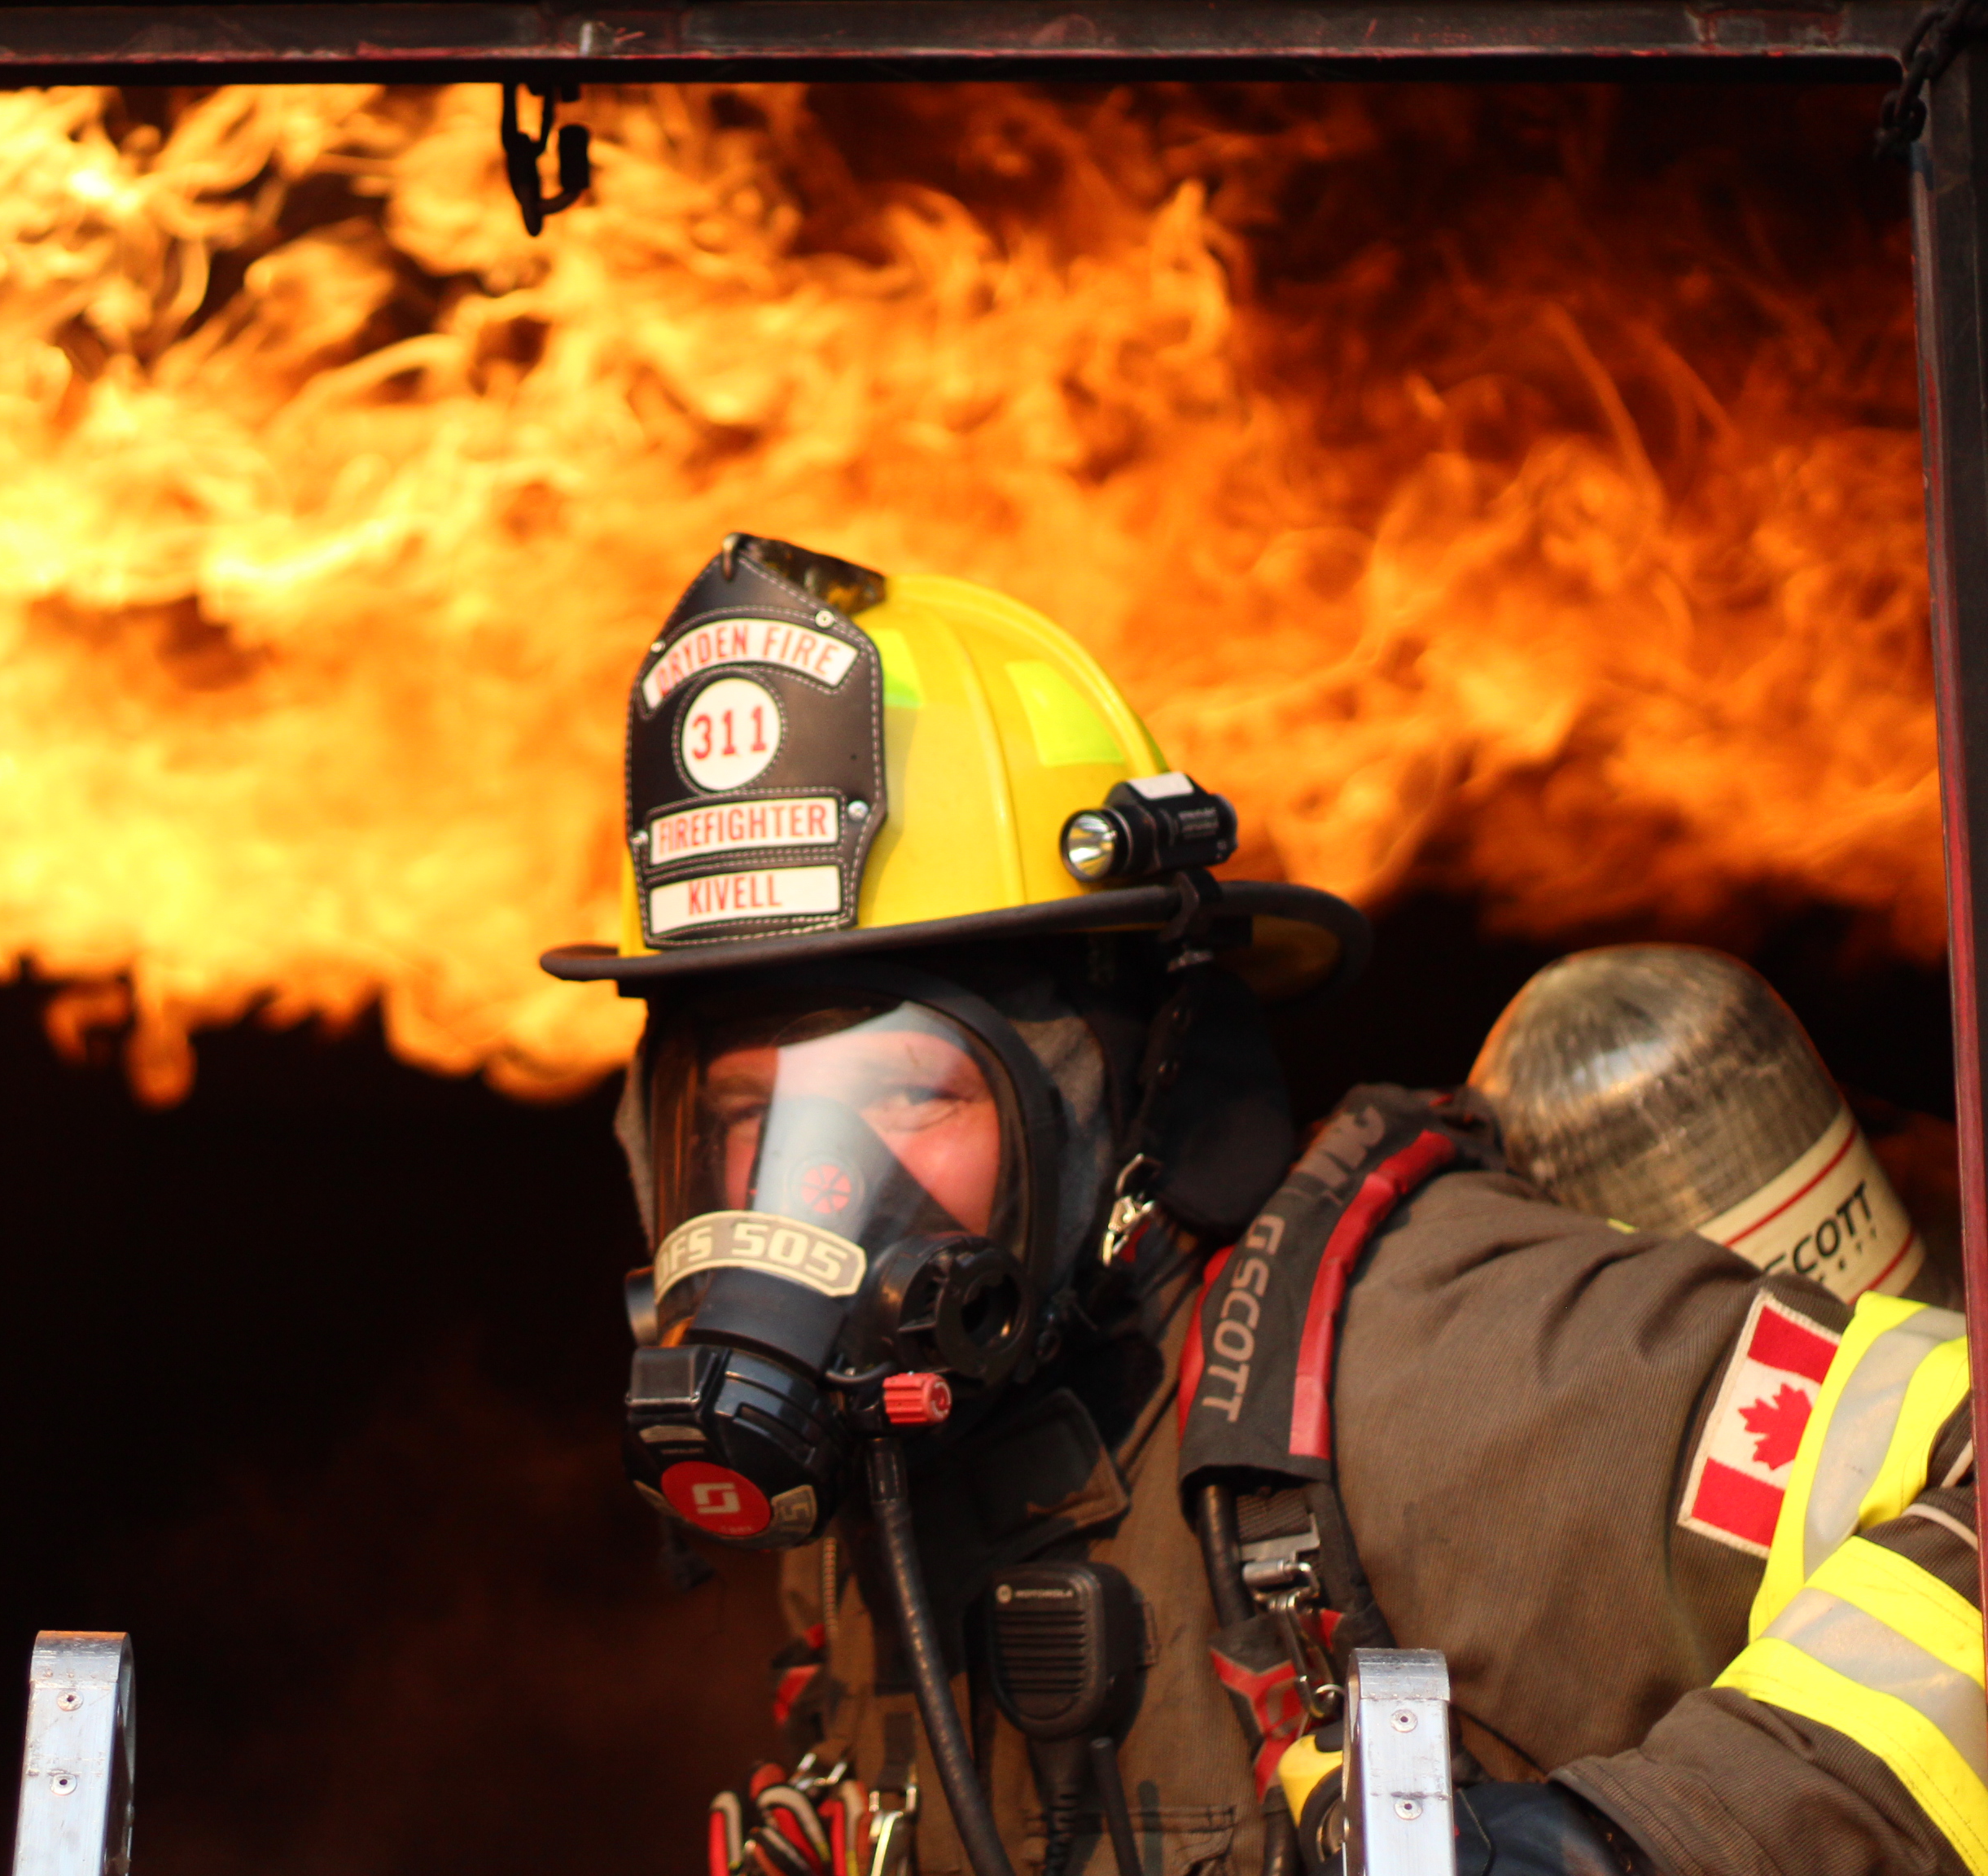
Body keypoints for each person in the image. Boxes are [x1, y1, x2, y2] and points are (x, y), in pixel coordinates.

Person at [541, 535, 1986, 1876]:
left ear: (1112, 1098)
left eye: (912, 1100)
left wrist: (1631, 1846)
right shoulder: (877, 1508)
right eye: (746, 1122)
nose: (820, 1199)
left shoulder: (1443, 1381)